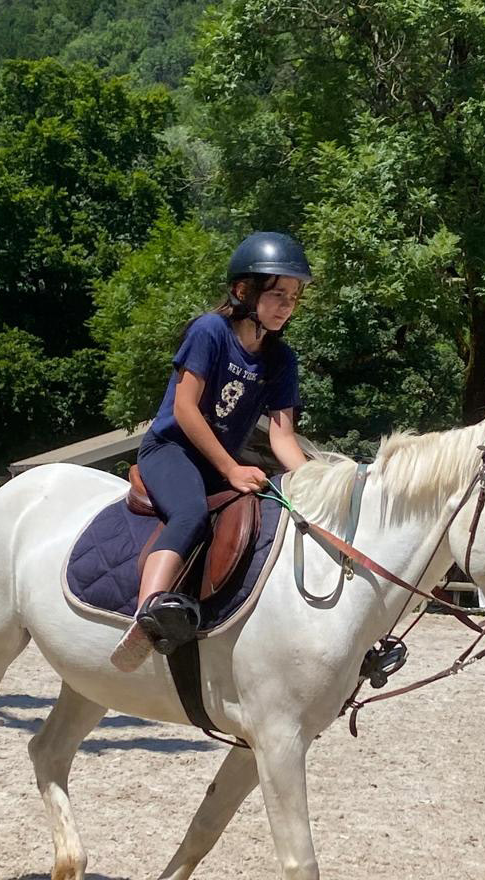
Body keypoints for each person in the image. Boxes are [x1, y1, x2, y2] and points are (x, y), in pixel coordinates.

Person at [111, 231, 312, 670]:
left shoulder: (282, 360)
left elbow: (282, 438)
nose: (286, 306)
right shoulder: (209, 332)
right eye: (278, 294)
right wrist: (232, 467)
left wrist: (318, 484)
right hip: (171, 449)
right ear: (244, 291)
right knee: (190, 514)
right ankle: (147, 617)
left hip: (219, 465)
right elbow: (184, 409)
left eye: (294, 298)